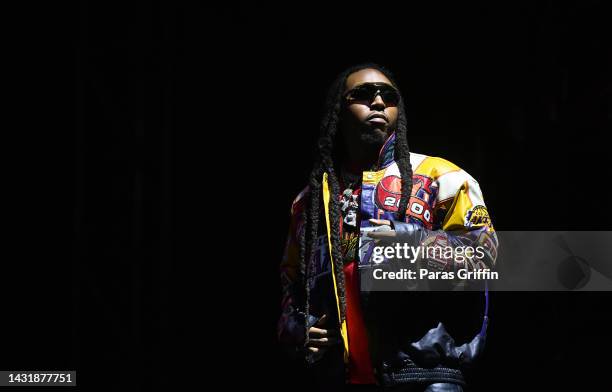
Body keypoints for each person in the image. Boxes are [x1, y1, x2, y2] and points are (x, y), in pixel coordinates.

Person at [278, 63, 498, 391]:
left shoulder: (442, 177)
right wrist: (295, 328)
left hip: (425, 375)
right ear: (338, 109)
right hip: (337, 377)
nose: (379, 102)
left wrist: (412, 242)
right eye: (364, 95)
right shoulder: (311, 201)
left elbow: (489, 261)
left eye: (388, 96)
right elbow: (291, 281)